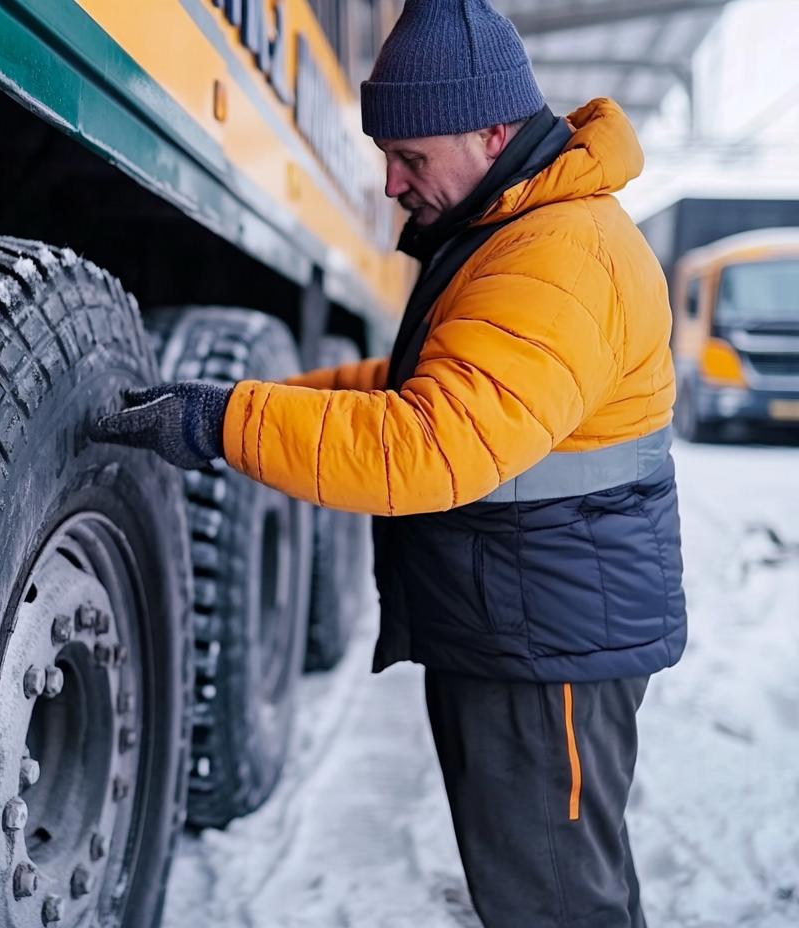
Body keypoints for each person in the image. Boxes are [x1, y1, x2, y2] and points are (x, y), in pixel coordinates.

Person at [93, 0, 685, 925]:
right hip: (529, 621)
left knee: (563, 901)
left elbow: (430, 446)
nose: (391, 184)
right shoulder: (518, 233)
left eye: (410, 158)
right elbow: (420, 384)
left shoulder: (562, 256)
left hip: (549, 649)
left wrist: (227, 422)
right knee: (536, 883)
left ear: (492, 133)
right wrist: (276, 394)